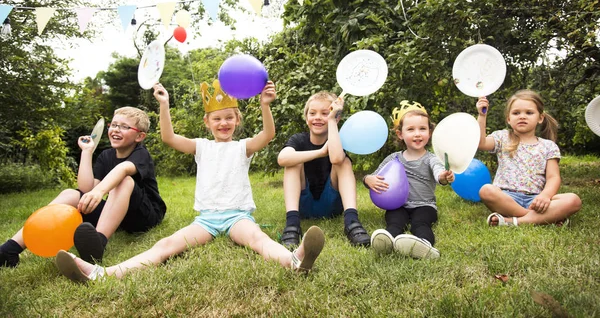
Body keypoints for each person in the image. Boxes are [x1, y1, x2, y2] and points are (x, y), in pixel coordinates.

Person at [55, 79, 325, 282]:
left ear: (237, 120)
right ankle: (103, 273)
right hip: (206, 220)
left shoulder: (242, 146)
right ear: (207, 122)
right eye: (217, 119)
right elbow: (169, 138)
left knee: (258, 239)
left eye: (229, 118)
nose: (223, 123)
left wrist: (265, 106)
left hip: (237, 217)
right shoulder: (201, 146)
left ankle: (295, 259)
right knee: (166, 245)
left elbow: (267, 135)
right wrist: (163, 104)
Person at [0, 107, 166, 268]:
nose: (116, 129)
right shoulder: (106, 155)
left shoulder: (141, 153)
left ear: (139, 136)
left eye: (124, 127)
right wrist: (87, 152)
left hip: (144, 216)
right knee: (70, 194)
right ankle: (10, 249)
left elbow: (122, 170)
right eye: (114, 125)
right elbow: (86, 188)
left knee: (124, 180)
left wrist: (99, 192)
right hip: (117, 215)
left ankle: (98, 244)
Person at [277, 91, 370, 248]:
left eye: (325, 113)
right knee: (292, 163)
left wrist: (332, 121)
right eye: (312, 113)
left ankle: (352, 222)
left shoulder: (338, 141)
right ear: (307, 119)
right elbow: (282, 159)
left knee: (343, 162)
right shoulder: (298, 139)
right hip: (303, 205)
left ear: (336, 117)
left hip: (332, 204)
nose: (318, 117)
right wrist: (320, 153)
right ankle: (292, 224)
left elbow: (336, 159)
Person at [476, 90, 582, 227]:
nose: (522, 116)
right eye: (516, 113)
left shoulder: (548, 146)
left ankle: (514, 221)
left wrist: (545, 196)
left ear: (540, 118)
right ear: (508, 119)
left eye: (529, 113)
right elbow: (481, 143)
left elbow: (553, 177)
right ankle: (543, 219)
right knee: (486, 190)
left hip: (536, 199)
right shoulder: (502, 138)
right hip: (507, 198)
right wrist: (481, 115)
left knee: (573, 200)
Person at [364, 101, 454, 259]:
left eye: (422, 129)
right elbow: (374, 175)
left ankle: (425, 245)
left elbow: (438, 173)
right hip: (398, 205)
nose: (417, 134)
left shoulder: (431, 159)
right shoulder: (394, 159)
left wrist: (444, 177)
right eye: (411, 129)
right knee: (395, 222)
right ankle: (387, 241)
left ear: (430, 132)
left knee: (420, 223)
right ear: (400, 134)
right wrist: (367, 179)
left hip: (424, 205)